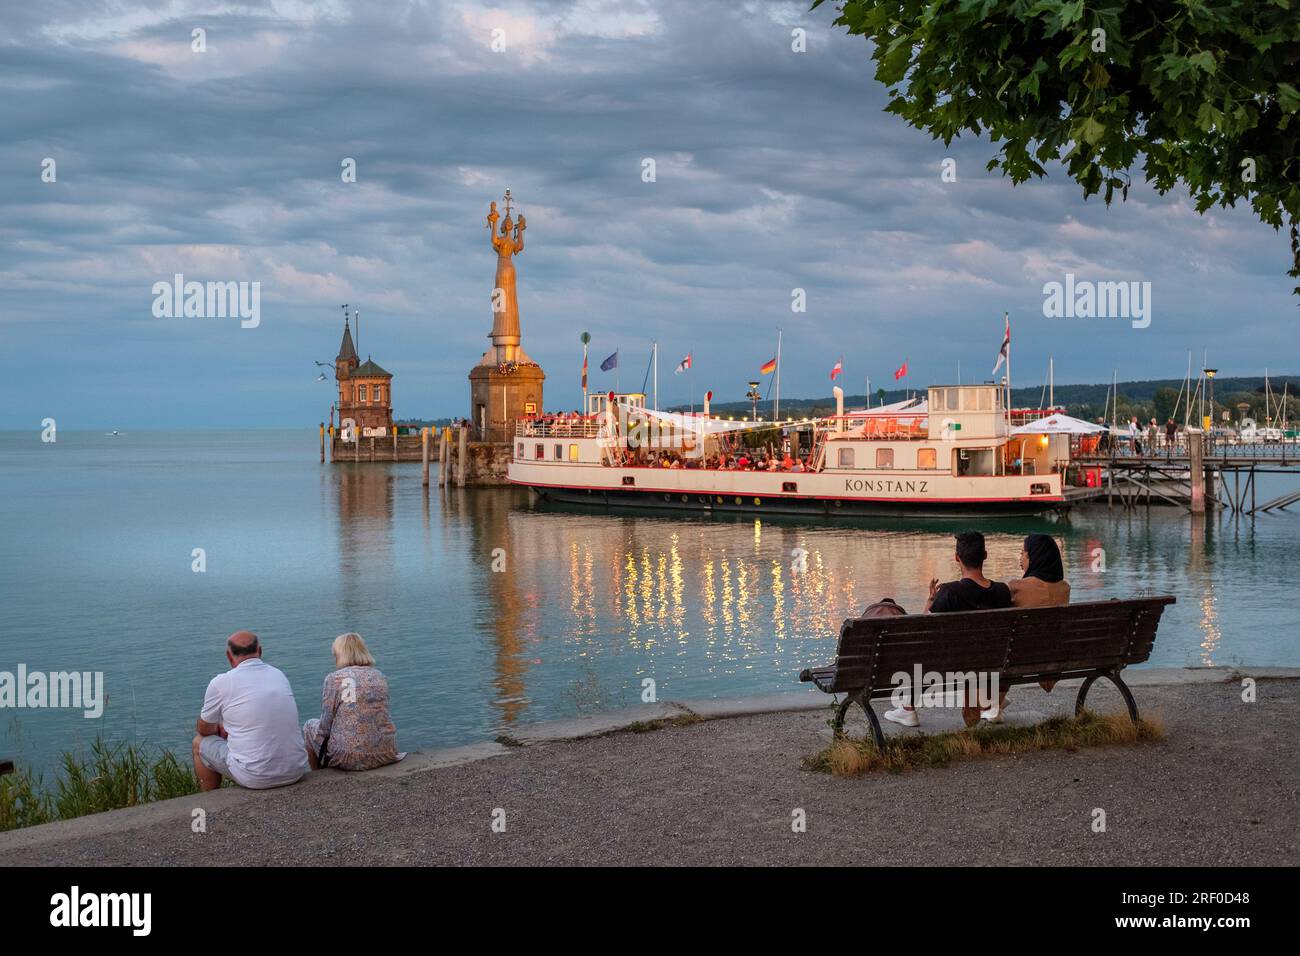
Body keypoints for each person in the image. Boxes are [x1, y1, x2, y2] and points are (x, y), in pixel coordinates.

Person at [883, 532, 1011, 729]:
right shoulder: (1003, 591)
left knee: (918, 648)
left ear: (957, 558)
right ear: (985, 555)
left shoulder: (950, 592)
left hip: (950, 667)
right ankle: (989, 704)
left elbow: (921, 628)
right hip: (993, 662)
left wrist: (931, 600)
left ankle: (908, 709)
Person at [193, 631, 308, 791]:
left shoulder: (221, 682)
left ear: (229, 656)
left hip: (256, 777)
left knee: (199, 743)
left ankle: (211, 801)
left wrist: (218, 728)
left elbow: (204, 729)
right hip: (296, 770)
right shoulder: (278, 675)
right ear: (260, 651)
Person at [303, 632, 402, 772]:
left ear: (340, 654)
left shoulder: (334, 679)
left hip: (349, 757)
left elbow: (325, 726)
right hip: (386, 752)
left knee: (308, 727)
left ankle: (319, 775)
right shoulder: (380, 676)